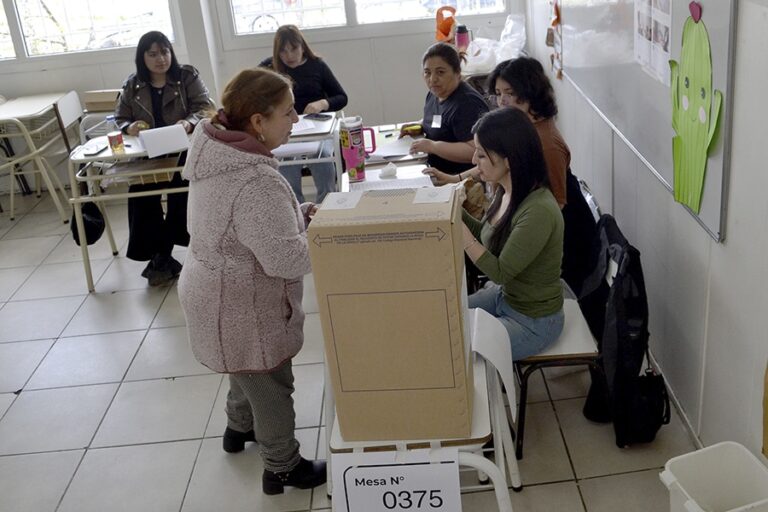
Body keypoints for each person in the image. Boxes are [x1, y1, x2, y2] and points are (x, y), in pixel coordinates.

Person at [178, 67, 326, 495]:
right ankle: (282, 467)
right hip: (242, 305)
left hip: (213, 292)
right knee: (271, 382)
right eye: (288, 112)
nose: (295, 119)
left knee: (241, 370)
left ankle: (237, 430)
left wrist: (296, 217)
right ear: (258, 121)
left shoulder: (216, 154)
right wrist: (318, 234)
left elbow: (245, 229)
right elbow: (284, 258)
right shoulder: (255, 180)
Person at [462, 108, 564, 360]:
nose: (474, 160)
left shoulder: (538, 210)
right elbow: (485, 235)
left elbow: (500, 272)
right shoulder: (506, 190)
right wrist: (453, 210)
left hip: (534, 321)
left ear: (509, 160)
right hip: (505, 298)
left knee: (459, 349)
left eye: (482, 154)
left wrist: (462, 235)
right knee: (446, 318)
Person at [115, 31, 211, 286]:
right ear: (142, 57)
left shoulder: (186, 76)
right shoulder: (133, 84)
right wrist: (130, 127)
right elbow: (120, 118)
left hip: (183, 151)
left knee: (183, 194)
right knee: (141, 197)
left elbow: (205, 107)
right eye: (153, 54)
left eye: (165, 51)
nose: (161, 59)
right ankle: (160, 255)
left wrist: (189, 122)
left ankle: (165, 254)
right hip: (148, 154)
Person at [425, 57, 569, 208]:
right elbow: (495, 162)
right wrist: (456, 179)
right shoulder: (519, 125)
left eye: (510, 93)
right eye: (499, 94)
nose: (502, 101)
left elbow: (557, 204)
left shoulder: (547, 145)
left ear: (531, 92)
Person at [260, 25, 348, 203]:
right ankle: (298, 212)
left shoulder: (317, 65)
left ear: (302, 46)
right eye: (283, 51)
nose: (289, 56)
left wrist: (323, 103)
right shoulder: (269, 68)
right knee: (285, 166)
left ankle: (327, 206)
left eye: (294, 49)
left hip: (317, 129)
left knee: (323, 160)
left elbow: (341, 97)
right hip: (286, 133)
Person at [402, 42, 489, 176]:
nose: (433, 79)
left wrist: (433, 147)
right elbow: (439, 121)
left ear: (457, 73)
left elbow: (475, 151)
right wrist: (417, 125)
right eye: (427, 73)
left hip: (459, 179)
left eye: (440, 72)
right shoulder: (435, 93)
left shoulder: (467, 103)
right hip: (433, 169)